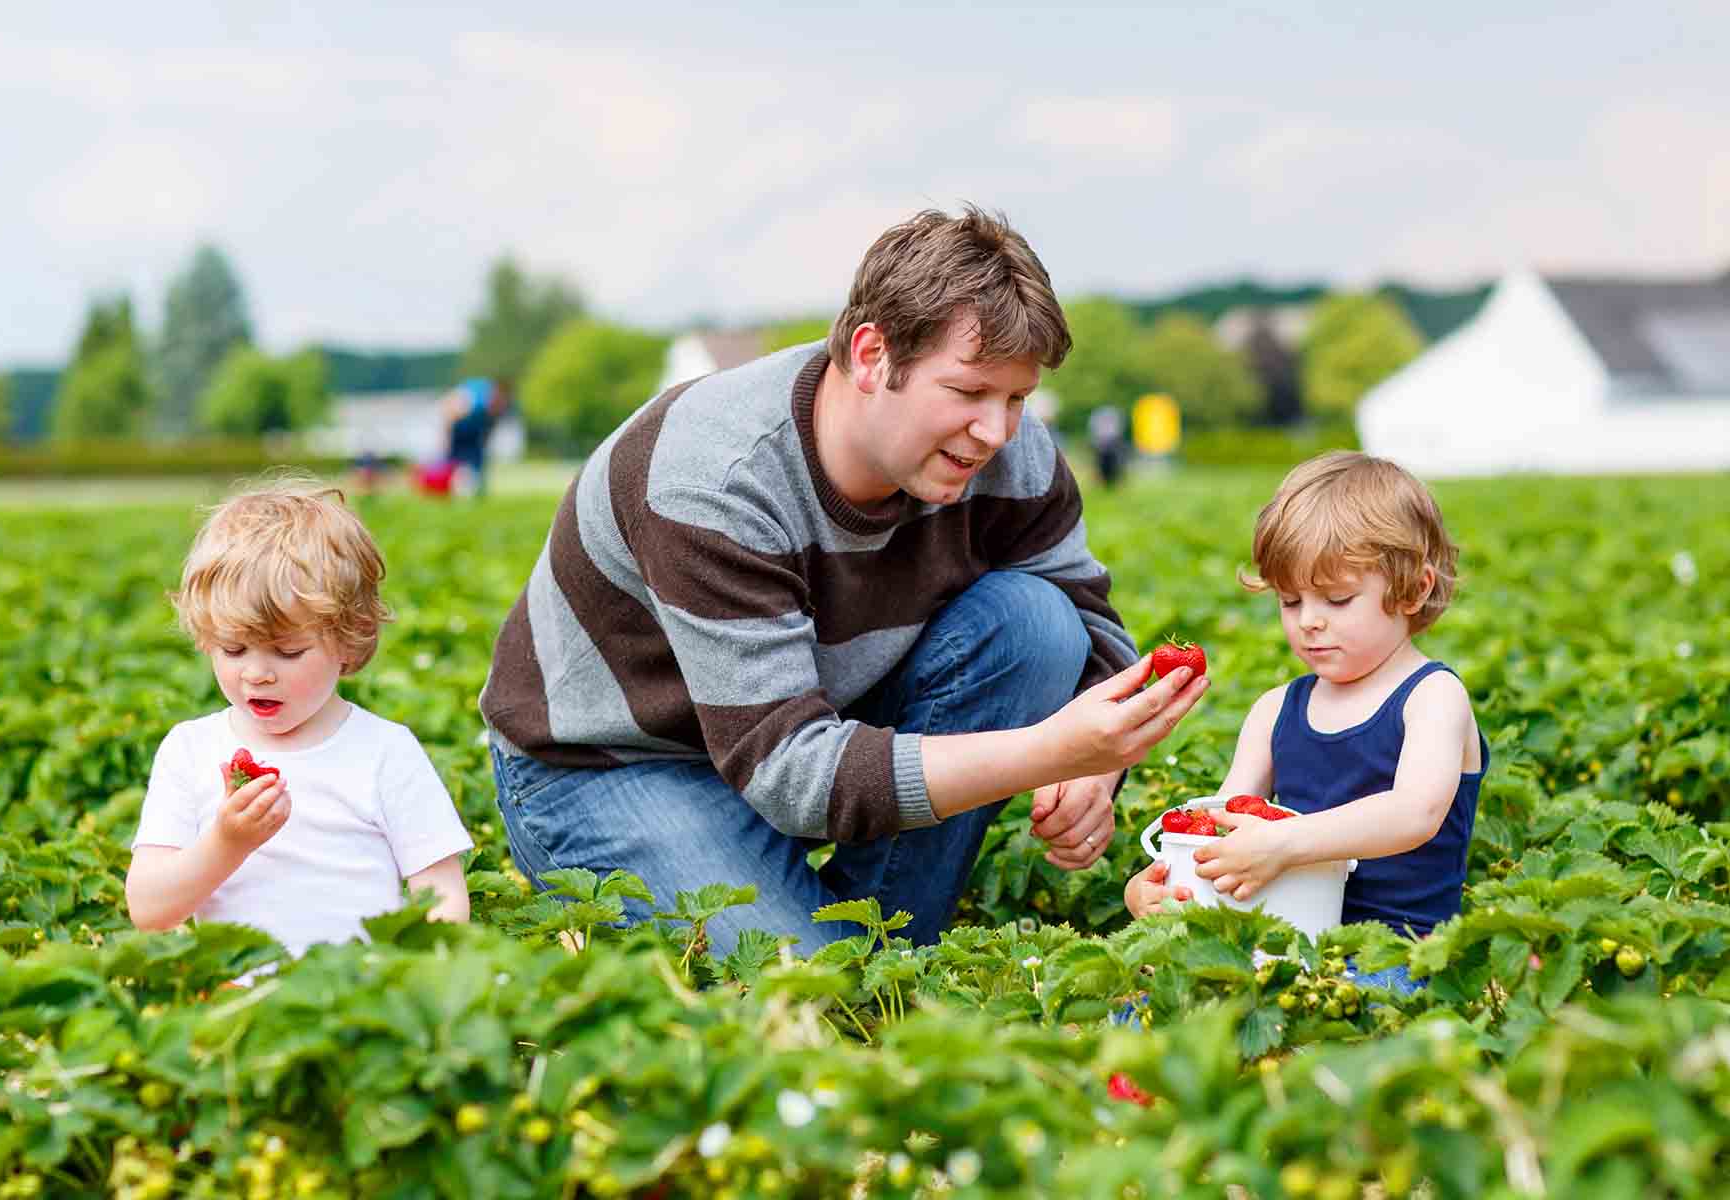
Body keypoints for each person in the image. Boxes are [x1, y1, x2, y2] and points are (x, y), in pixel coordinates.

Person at [481, 207, 1209, 956]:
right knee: (814, 997)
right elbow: (790, 771)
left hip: (812, 720)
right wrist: (1053, 751)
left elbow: (1093, 629)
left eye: (1016, 397)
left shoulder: (1009, 455)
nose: (996, 431)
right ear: (870, 356)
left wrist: (1099, 772)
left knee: (1038, 623)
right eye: (967, 392)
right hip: (620, 765)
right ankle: (848, 944)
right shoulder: (712, 478)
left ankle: (878, 939)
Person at [1124, 451, 1488, 994]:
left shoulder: (1433, 697)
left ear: (1413, 589)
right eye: (1291, 601)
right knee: (1154, 1005)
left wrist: (1286, 842)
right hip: (1280, 948)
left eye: (1337, 599)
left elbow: (1416, 812)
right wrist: (1164, 883)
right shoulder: (1275, 709)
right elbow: (1219, 826)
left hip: (1398, 955)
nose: (1310, 621)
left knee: (1343, 1027)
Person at [126, 479, 473, 960]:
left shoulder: (385, 751)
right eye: (233, 648)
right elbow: (148, 908)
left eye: (288, 651)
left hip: (356, 998)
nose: (256, 673)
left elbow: (441, 894)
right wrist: (228, 843)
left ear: (350, 640)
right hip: (233, 1001)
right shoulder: (190, 750)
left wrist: (411, 973)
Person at [440, 377, 511, 497]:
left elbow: (490, 427)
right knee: (452, 467)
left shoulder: (499, 407)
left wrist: (484, 447)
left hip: (475, 436)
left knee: (476, 474)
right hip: (458, 429)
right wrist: (446, 443)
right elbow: (449, 415)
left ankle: (474, 490)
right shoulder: (474, 397)